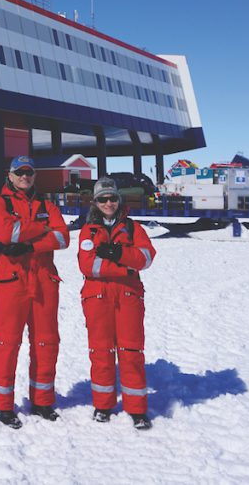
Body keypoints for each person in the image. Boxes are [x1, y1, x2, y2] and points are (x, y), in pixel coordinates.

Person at [0, 156, 70, 429]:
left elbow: (63, 238)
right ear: (9, 175)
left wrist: (31, 245)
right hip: (11, 282)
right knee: (6, 343)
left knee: (46, 342)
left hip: (44, 281)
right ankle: (2, 405)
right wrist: (42, 228)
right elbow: (8, 232)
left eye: (29, 172)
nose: (24, 176)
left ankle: (42, 401)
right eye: (19, 172)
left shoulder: (47, 205)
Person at [77, 177, 156, 430]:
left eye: (112, 198)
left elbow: (145, 258)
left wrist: (118, 253)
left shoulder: (134, 229)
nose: (108, 203)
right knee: (101, 351)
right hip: (97, 297)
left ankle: (137, 408)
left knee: (131, 351)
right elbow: (89, 265)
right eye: (103, 199)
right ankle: (103, 405)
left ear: (118, 200)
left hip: (129, 297)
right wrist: (125, 267)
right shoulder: (87, 231)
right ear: (95, 202)